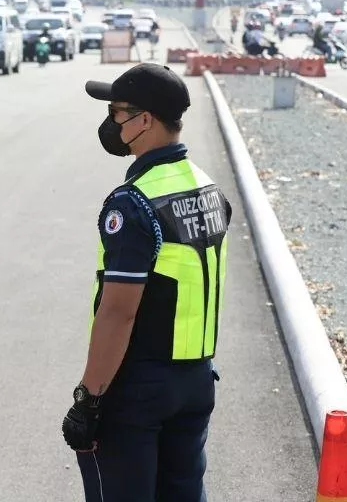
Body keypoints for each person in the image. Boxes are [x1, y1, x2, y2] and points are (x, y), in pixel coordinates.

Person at [62, 63, 232, 502]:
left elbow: (119, 311)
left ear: (145, 120)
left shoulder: (133, 204)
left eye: (118, 112)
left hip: (138, 388)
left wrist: (89, 399)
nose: (111, 123)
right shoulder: (208, 188)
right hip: (195, 382)